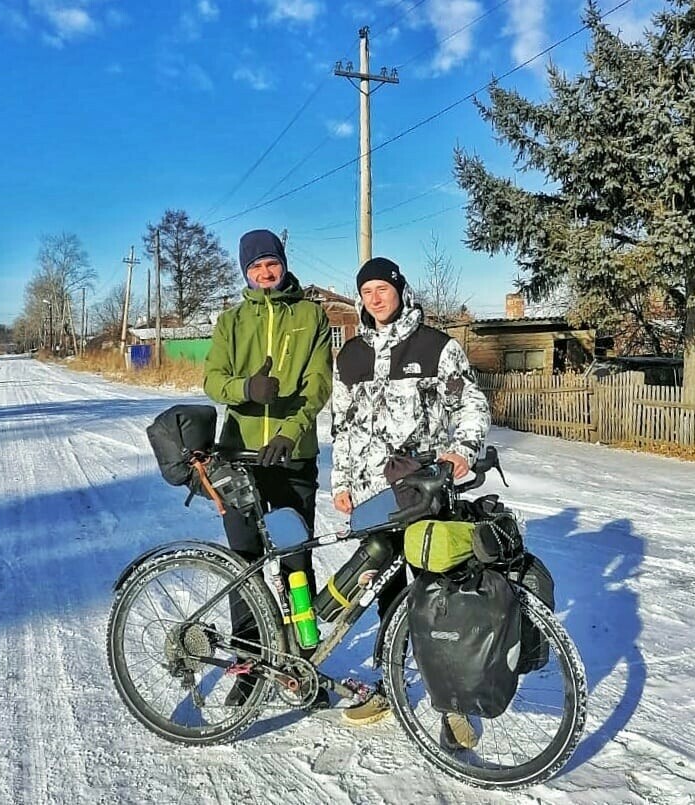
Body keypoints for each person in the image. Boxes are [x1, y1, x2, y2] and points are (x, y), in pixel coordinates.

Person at [330, 256, 490, 745]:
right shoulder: (350, 355)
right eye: (367, 291)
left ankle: (451, 701)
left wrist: (463, 451)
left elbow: (472, 404)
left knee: (435, 590)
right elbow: (340, 424)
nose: (375, 298)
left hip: (423, 490)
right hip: (371, 493)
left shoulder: (438, 347)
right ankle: (388, 684)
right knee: (383, 591)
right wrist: (340, 481)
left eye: (383, 288)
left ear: (400, 290)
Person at [204, 228, 332, 706]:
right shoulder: (232, 321)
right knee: (245, 565)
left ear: (283, 263)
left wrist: (290, 431)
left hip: (292, 455)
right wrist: (245, 391)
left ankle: (306, 660)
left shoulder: (312, 316)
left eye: (270, 263)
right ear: (245, 271)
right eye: (255, 266)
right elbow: (212, 380)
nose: (264, 272)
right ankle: (249, 665)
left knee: (296, 563)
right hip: (240, 458)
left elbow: (319, 383)